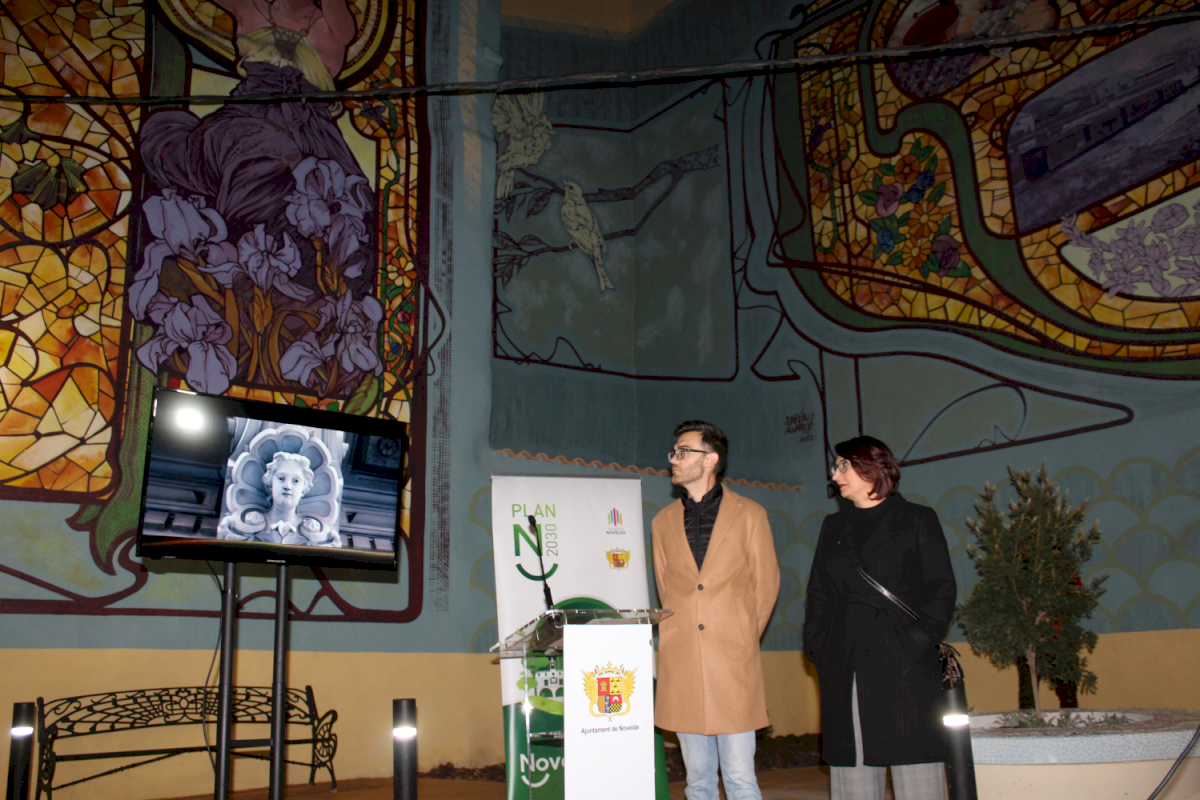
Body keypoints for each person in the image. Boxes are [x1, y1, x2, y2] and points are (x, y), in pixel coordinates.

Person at [802, 436, 956, 800]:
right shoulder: (832, 527)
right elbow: (819, 594)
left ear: (871, 467)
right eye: (836, 466)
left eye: (843, 465)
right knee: (852, 778)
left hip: (906, 670)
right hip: (845, 666)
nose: (834, 474)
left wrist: (915, 645)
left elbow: (942, 590)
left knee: (917, 774)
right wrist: (820, 649)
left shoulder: (917, 519)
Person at [652, 420, 780, 800]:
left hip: (732, 663)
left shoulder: (750, 514)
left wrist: (740, 636)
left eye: (682, 452)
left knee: (740, 778)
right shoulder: (662, 522)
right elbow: (666, 591)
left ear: (710, 459)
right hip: (683, 663)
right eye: (673, 452)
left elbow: (766, 585)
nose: (673, 459)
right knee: (697, 781)